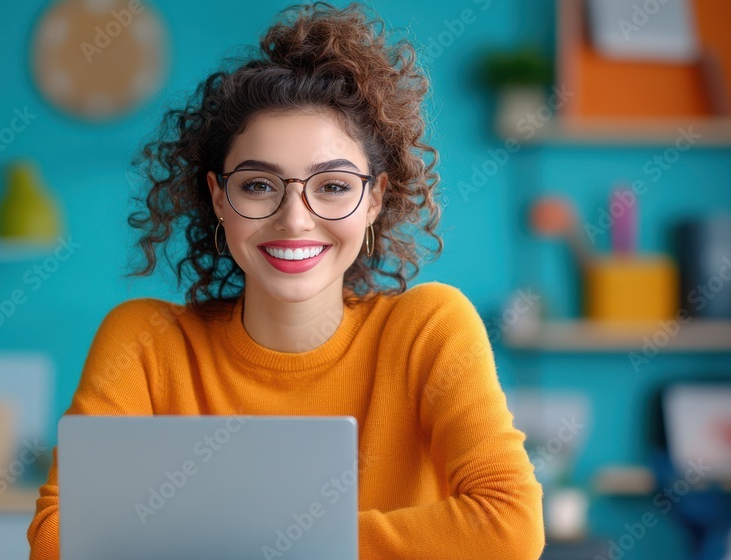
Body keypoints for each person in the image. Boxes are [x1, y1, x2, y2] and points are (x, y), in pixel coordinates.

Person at [27, 3, 545, 559]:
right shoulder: (145, 341)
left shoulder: (428, 328)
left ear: (373, 199)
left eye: (333, 186)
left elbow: (509, 528)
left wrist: (265, 541)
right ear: (219, 199)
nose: (295, 218)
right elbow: (59, 539)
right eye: (257, 186)